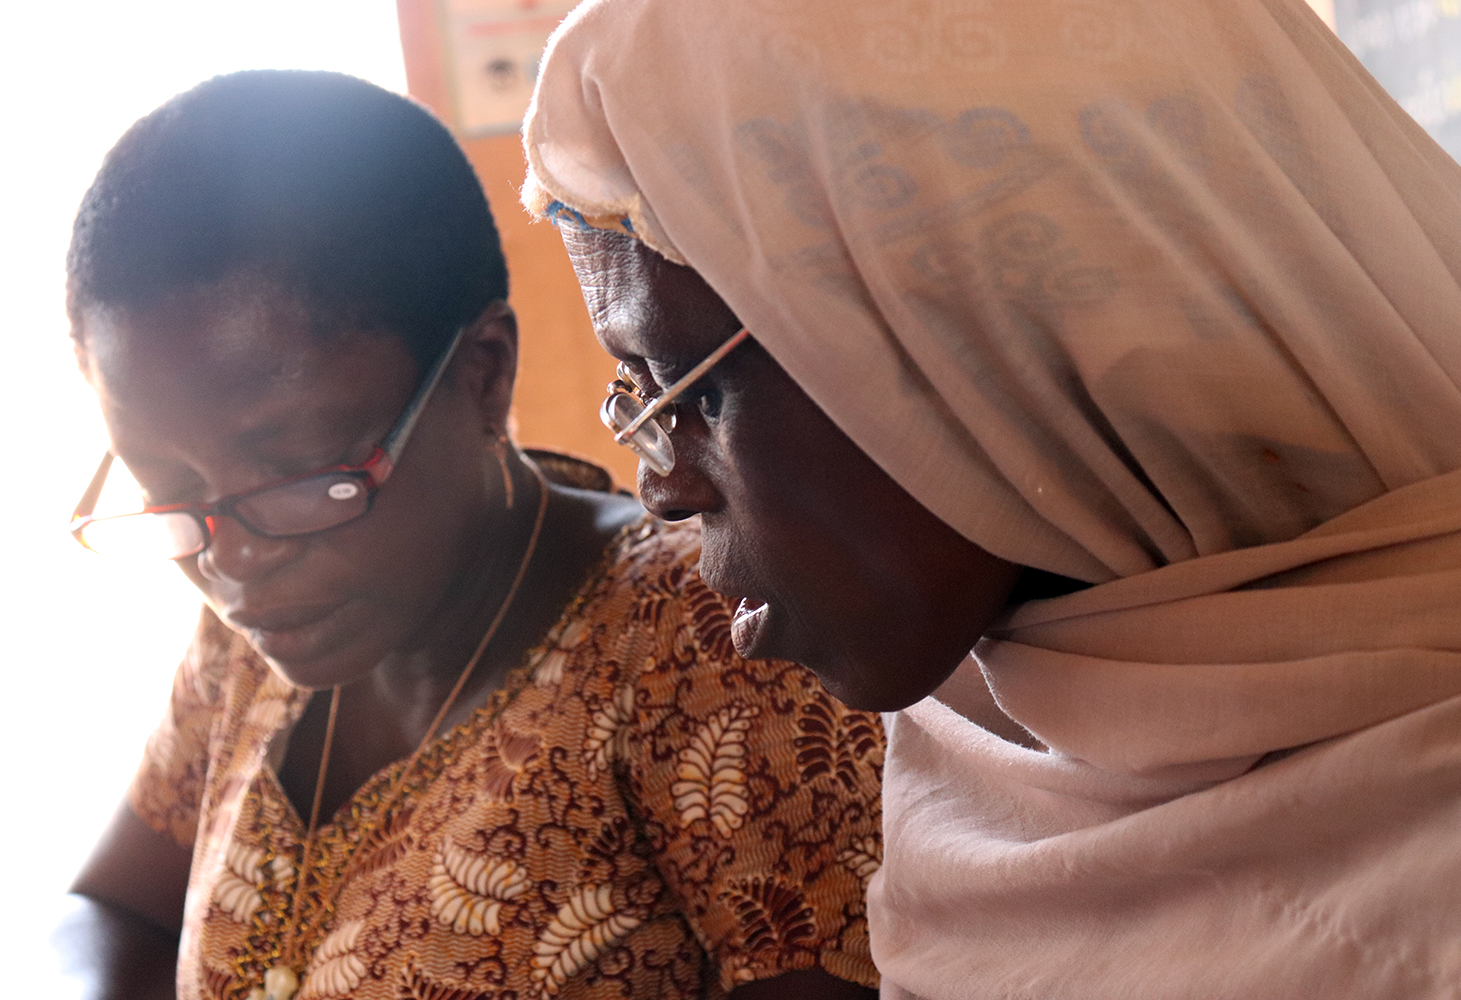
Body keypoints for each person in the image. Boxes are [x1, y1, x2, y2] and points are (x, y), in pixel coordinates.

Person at [521, 0, 1461, 995]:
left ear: (987, 329)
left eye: (688, 388)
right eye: (637, 402)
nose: (664, 488)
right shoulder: (981, 728)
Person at [57, 69, 883, 1000]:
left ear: (485, 373)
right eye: (168, 487)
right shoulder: (248, 630)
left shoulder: (709, 649)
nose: (232, 560)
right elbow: (115, 910)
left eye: (301, 473)